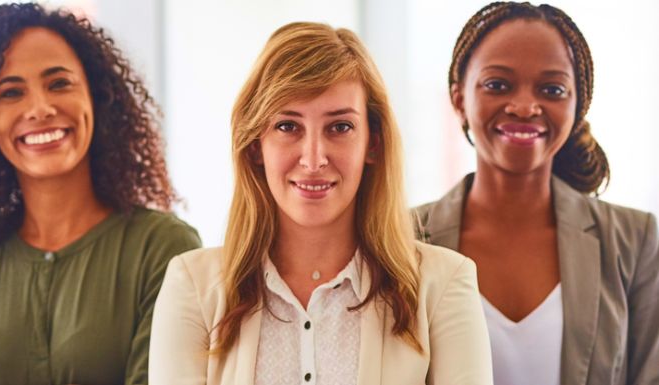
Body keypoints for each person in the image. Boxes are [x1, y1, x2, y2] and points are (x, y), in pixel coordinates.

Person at [149, 22, 491, 385]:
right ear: (254, 145)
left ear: (372, 144)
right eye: (287, 127)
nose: (313, 160)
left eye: (340, 127)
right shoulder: (192, 286)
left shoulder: (443, 284)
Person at [0, 3, 201, 384]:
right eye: (10, 92)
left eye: (59, 83)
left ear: (98, 97)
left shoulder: (164, 250)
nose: (39, 108)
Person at [415, 2, 659, 385]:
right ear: (459, 98)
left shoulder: (634, 239)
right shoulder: (402, 237)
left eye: (552, 89)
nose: (526, 106)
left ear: (578, 105)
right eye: (498, 84)